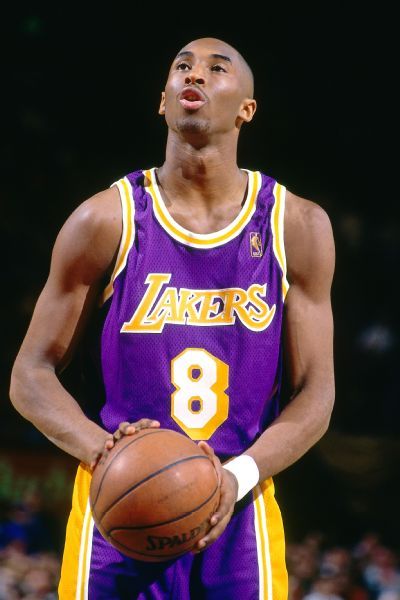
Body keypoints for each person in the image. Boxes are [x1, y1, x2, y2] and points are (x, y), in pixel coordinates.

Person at [10, 37, 335, 599]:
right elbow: (29, 375)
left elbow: (317, 395)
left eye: (216, 67)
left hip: (242, 507)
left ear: (247, 109)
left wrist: (235, 478)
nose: (195, 74)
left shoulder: (296, 226)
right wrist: (105, 453)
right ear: (163, 101)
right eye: (182, 65)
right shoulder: (106, 220)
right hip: (118, 508)